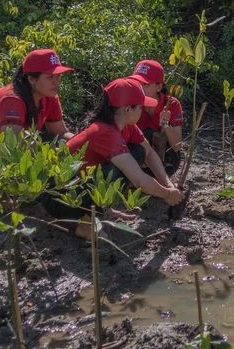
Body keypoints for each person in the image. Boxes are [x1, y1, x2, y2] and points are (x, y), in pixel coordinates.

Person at [45, 78, 183, 238]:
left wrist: (168, 184)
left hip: (81, 185)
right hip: (59, 196)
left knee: (137, 151)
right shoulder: (105, 132)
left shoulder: (126, 125)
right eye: (140, 106)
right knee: (119, 167)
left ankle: (99, 209)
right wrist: (167, 194)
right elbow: (139, 180)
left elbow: (150, 153)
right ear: (127, 110)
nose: (142, 110)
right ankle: (79, 221)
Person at [0, 48, 74, 141]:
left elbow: (61, 133)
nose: (56, 82)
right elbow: (13, 144)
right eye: (50, 77)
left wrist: (82, 141)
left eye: (58, 76)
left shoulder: (49, 97)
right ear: (31, 79)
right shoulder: (12, 100)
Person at [129, 59, 184, 177]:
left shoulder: (172, 104)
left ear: (159, 87)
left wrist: (166, 125)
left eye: (146, 84)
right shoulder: (130, 102)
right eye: (138, 83)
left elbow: (177, 145)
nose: (140, 88)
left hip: (164, 156)